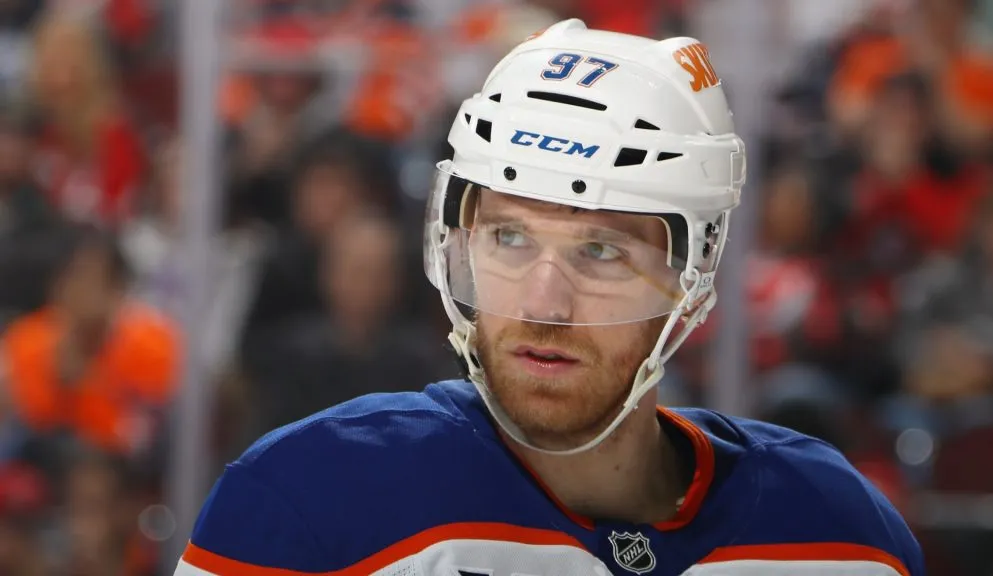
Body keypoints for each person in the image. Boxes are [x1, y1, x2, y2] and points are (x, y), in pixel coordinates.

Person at [174, 19, 924, 576]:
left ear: (692, 271)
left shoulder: (841, 534)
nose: (543, 303)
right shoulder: (310, 501)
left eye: (600, 251)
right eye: (509, 238)